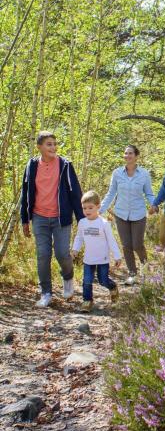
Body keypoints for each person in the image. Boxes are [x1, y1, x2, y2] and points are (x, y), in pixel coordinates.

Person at [20, 131, 84, 308]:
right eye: (49, 144)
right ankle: (46, 293)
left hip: (60, 218)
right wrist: (24, 219)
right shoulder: (31, 166)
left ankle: (68, 278)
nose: (53, 147)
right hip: (39, 217)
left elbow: (75, 192)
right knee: (43, 255)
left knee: (63, 253)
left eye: (55, 144)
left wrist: (82, 220)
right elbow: (25, 193)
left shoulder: (65, 165)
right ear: (39, 147)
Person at [99, 144, 154, 285]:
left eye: (130, 153)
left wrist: (154, 204)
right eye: (125, 153)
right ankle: (132, 274)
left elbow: (148, 193)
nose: (127, 155)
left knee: (137, 244)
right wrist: (100, 209)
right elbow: (111, 193)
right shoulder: (117, 173)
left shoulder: (144, 174)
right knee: (126, 245)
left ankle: (146, 268)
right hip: (121, 214)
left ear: (136, 156)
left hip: (138, 213)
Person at [71, 190, 122, 313]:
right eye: (84, 208)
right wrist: (75, 250)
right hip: (89, 259)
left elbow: (111, 240)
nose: (87, 211)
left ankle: (113, 287)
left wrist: (117, 256)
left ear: (98, 207)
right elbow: (79, 237)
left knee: (103, 280)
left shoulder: (103, 224)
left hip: (102, 258)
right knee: (87, 280)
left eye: (90, 207)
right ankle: (87, 300)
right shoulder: (82, 223)